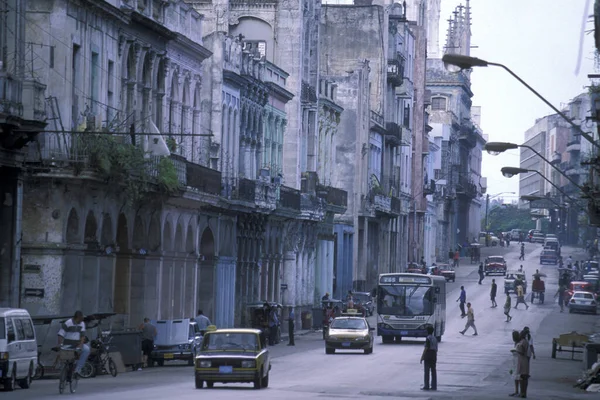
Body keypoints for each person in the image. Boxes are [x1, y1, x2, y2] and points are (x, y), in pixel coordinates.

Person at [57, 310, 90, 377]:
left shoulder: (82, 324)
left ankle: (77, 370)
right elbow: (60, 334)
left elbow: (82, 336)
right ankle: (64, 369)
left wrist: (80, 345)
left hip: (77, 344)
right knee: (66, 357)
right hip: (67, 344)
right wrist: (60, 344)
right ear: (77, 318)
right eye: (81, 318)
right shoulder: (68, 323)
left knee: (86, 349)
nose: (82, 320)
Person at [420, 326, 438, 391]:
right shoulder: (435, 338)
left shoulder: (428, 338)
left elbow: (426, 348)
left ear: (427, 331)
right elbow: (436, 349)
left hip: (428, 355)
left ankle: (426, 386)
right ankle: (434, 386)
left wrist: (422, 357)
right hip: (433, 355)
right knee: (433, 371)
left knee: (427, 371)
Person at [515, 330, 531, 398]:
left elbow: (523, 352)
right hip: (521, 360)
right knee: (522, 377)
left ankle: (523, 392)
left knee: (523, 378)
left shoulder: (524, 342)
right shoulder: (522, 341)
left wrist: (517, 351)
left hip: (523, 361)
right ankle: (522, 392)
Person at [509, 330, 521, 397]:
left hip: (518, 361)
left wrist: (514, 351)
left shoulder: (519, 343)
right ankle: (516, 391)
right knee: (515, 376)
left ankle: (519, 391)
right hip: (515, 361)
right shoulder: (516, 343)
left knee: (518, 376)